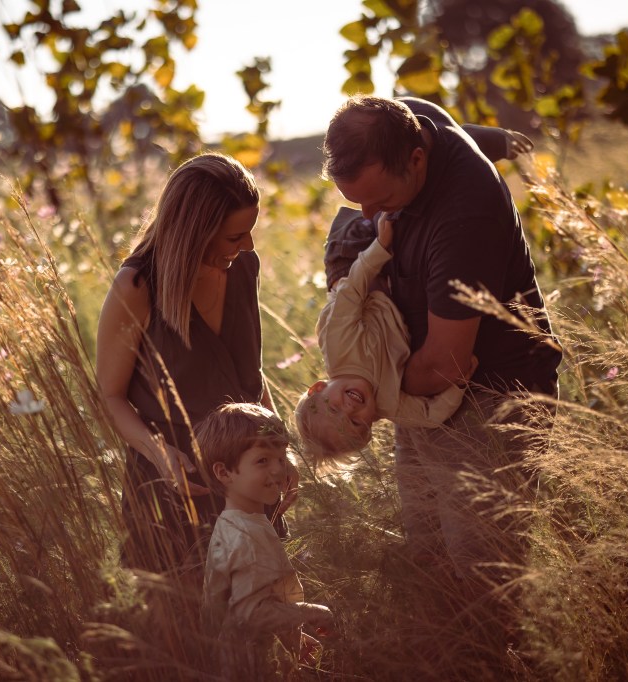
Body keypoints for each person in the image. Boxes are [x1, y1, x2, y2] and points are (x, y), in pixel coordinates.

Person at [321, 95, 562, 655]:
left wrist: (372, 392)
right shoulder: (405, 120)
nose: (368, 216)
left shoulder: (466, 212)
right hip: (420, 381)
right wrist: (502, 140)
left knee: (481, 573)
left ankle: (493, 664)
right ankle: (445, 659)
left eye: (380, 200)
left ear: (417, 160)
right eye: (355, 202)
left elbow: (449, 365)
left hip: (493, 398)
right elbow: (453, 126)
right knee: (426, 549)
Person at [95, 152, 293, 577]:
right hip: (171, 486)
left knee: (261, 616)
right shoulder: (137, 286)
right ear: (195, 232)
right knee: (180, 624)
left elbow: (250, 377)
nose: (249, 247)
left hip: (246, 474)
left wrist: (277, 448)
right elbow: (110, 396)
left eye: (250, 232)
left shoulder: (244, 266)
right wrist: (160, 456)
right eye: (234, 236)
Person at [294, 210, 475, 464]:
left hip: (352, 266)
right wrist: (457, 384)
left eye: (334, 409)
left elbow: (352, 290)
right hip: (389, 294)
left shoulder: (339, 349)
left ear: (318, 388)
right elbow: (429, 415)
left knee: (383, 218)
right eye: (355, 422)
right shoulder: (388, 404)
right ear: (370, 427)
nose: (349, 409)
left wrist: (379, 246)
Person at [197, 403, 334, 679]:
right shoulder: (246, 534)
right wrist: (313, 613)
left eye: (281, 458)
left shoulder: (233, 523)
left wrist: (292, 639)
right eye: (263, 461)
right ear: (224, 473)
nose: (278, 471)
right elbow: (252, 614)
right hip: (249, 666)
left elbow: (254, 598)